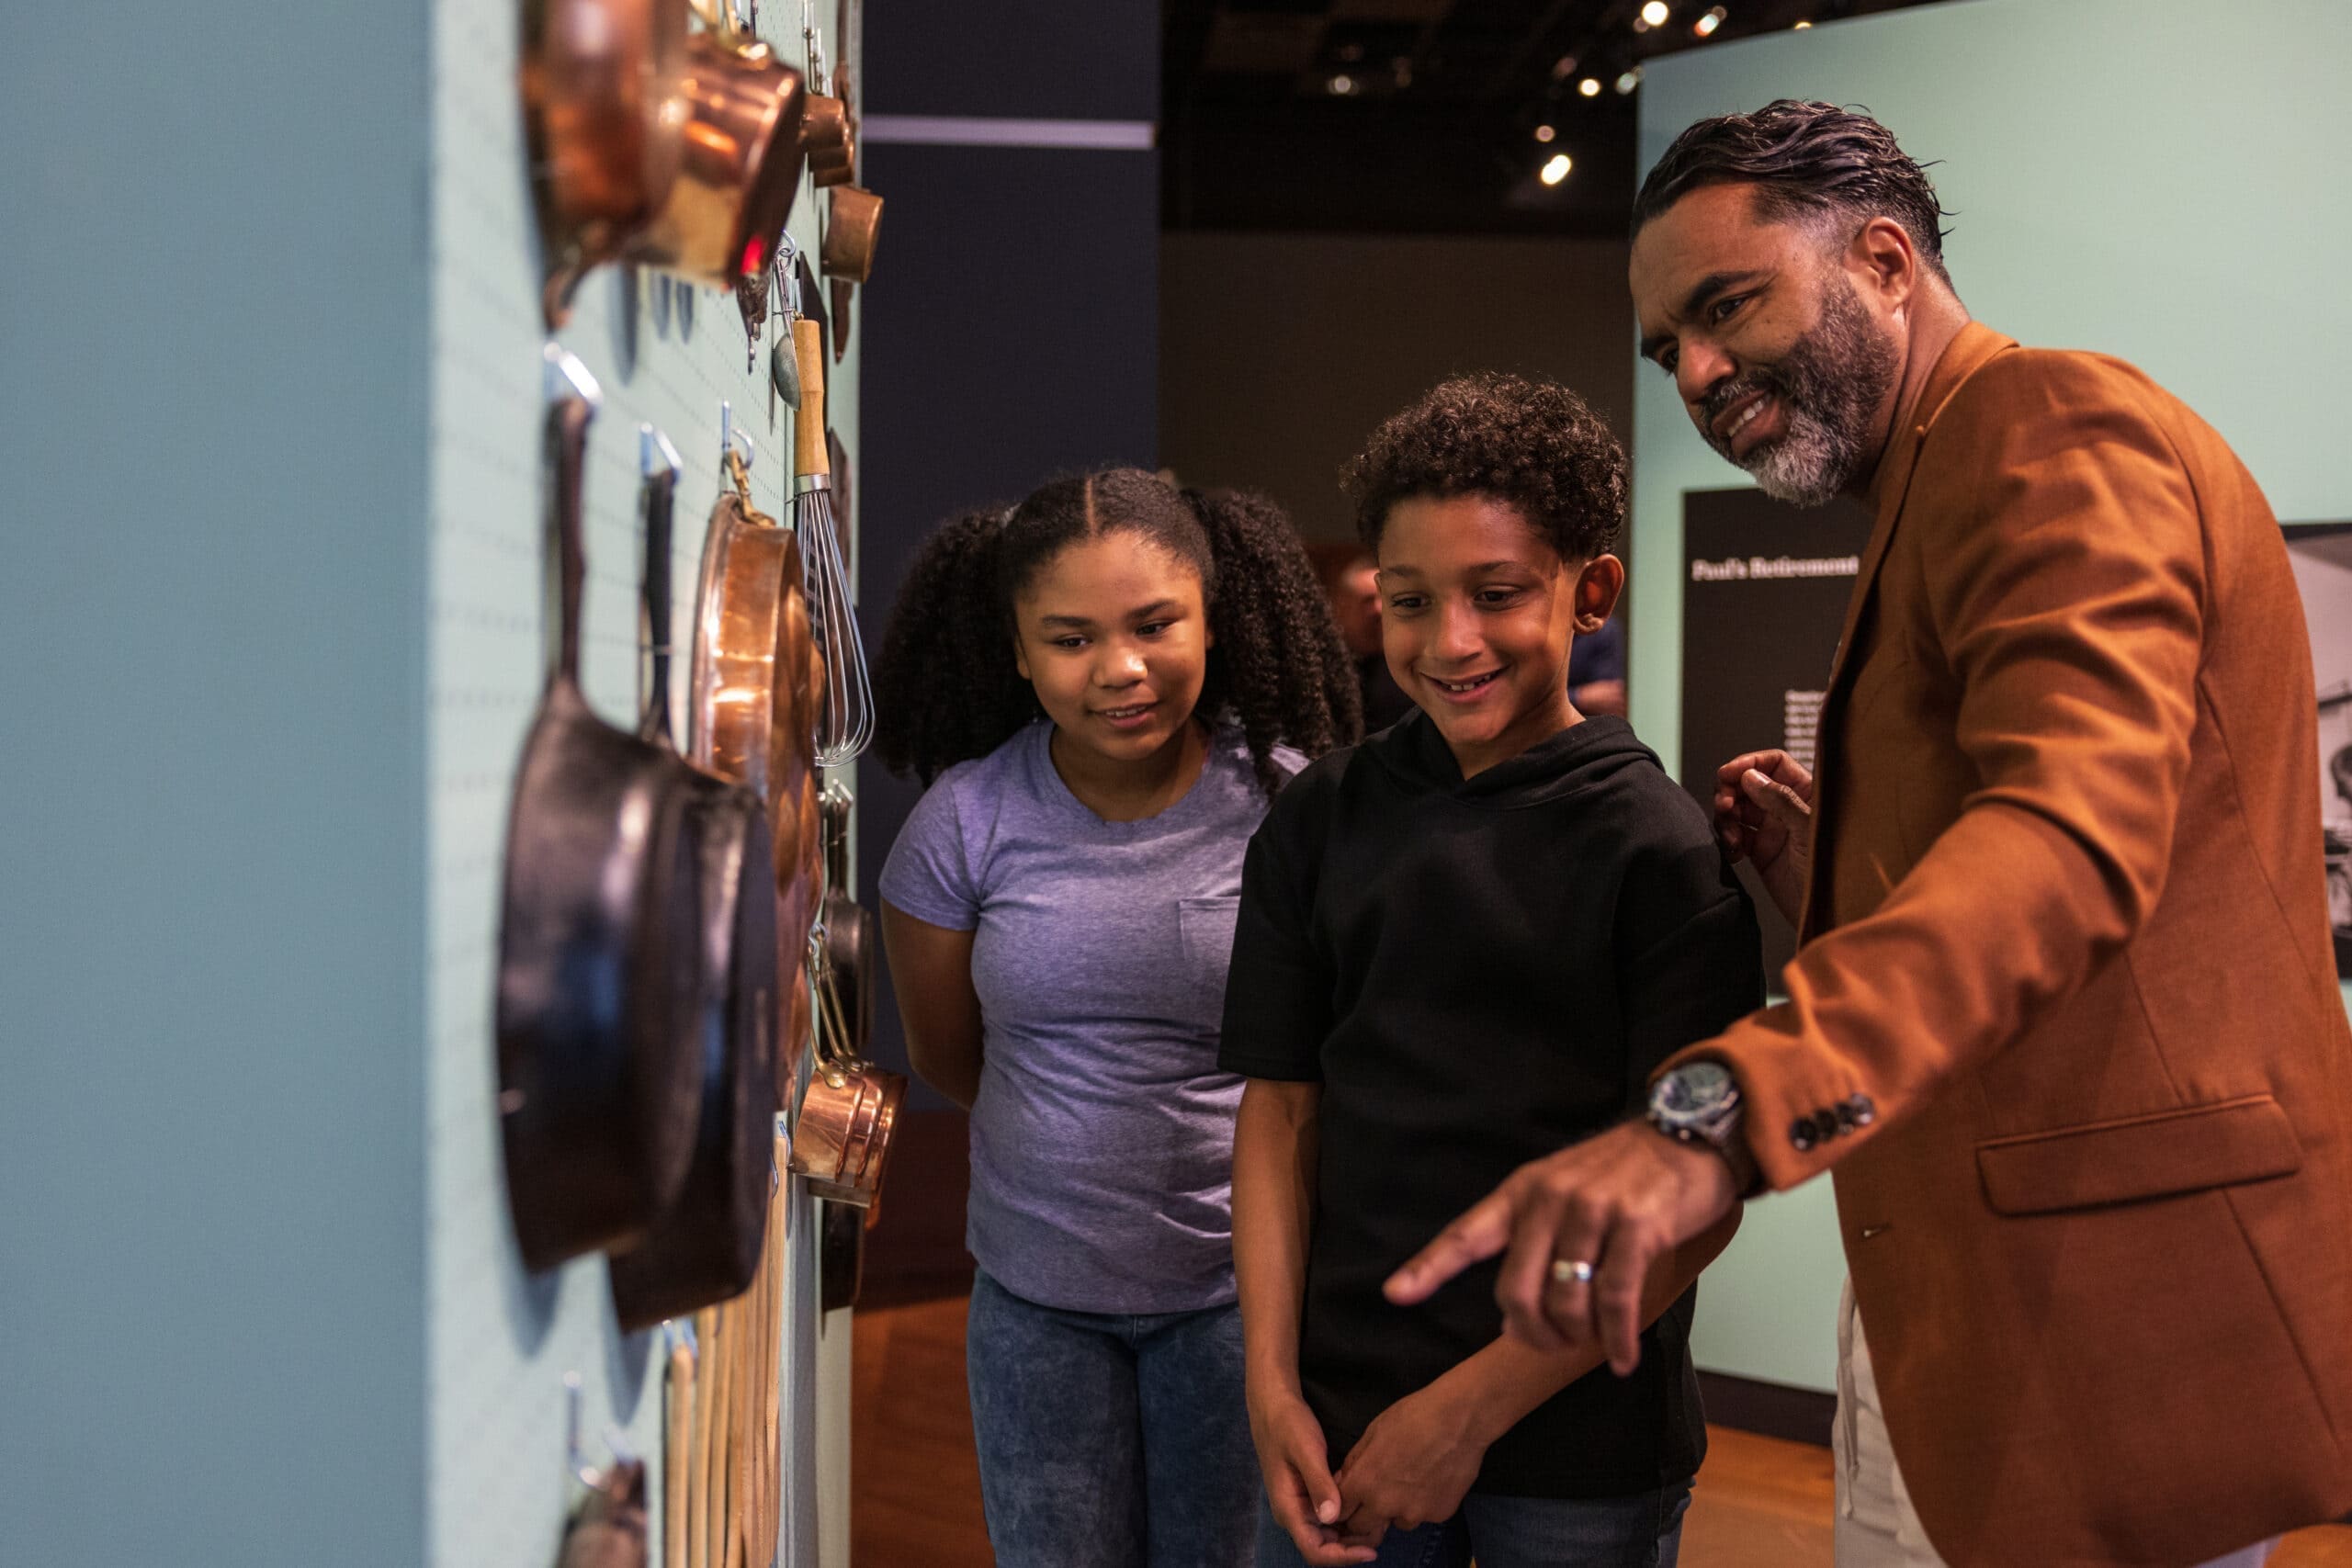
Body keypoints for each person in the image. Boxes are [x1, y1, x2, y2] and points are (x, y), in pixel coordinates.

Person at [1385, 102, 2352, 1568]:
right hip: (1974, 1290)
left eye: (1727, 307)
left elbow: (2074, 831)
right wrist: (1829, 865)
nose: (1699, 375)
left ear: (1886, 261)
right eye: (1669, 352)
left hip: (2097, 1310)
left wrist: (1717, 1110)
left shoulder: (2046, 428)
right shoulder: (1931, 481)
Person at [1221, 374, 1759, 1568]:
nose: (1450, 639)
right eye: (1411, 601)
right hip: (1340, 1421)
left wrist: (1462, 1412)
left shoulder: (1660, 848)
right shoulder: (1319, 820)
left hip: (1582, 1441)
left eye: (1497, 592)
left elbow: (1699, 1190)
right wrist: (1268, 1382)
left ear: (1591, 592)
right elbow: (1279, 1107)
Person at [873, 468, 1362, 1568]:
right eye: (1071, 638)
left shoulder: (1291, 808)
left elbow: (1324, 1069)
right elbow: (956, 1061)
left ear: (1211, 620)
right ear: (1016, 650)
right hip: (1038, 1308)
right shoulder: (964, 824)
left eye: (1154, 625)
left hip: (1242, 1304)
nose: (1122, 671)